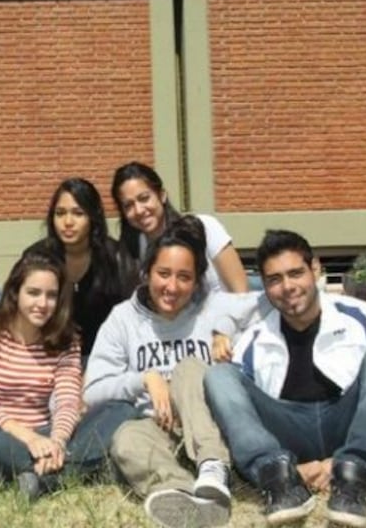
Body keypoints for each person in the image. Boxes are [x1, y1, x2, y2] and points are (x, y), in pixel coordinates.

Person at [203, 230, 366, 527]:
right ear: (266, 287)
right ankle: (278, 478)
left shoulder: (362, 316)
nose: (287, 287)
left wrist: (353, 457)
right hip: (287, 432)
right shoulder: (255, 338)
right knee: (219, 375)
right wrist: (292, 467)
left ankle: (353, 477)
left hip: (349, 423)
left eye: (296, 273)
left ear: (316, 269)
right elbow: (240, 416)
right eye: (274, 279)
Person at [84, 221, 257, 528]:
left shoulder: (213, 306)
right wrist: (144, 379)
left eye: (184, 277)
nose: (172, 287)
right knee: (126, 439)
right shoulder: (123, 319)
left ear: (197, 281)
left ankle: (213, 466)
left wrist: (225, 327)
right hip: (161, 428)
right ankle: (182, 494)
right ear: (147, 272)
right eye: (163, 274)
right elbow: (93, 389)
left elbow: (269, 303)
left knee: (188, 368)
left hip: (213, 427)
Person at [0, 251, 135, 500]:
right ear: (16, 292)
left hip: (46, 434)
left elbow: (67, 402)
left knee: (121, 410)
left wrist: (57, 442)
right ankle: (72, 471)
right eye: (34, 293)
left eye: (51, 295)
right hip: (0, 435)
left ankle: (45, 477)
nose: (42, 303)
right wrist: (31, 440)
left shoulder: (67, 340)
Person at [24, 178, 132, 357]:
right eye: (60, 213)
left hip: (105, 359)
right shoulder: (36, 257)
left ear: (92, 217)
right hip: (46, 358)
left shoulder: (116, 258)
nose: (68, 222)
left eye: (78, 213)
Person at [111, 162, 248, 294]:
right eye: (128, 205)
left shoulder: (205, 227)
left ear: (162, 195)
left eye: (144, 198)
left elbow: (241, 293)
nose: (139, 210)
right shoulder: (133, 253)